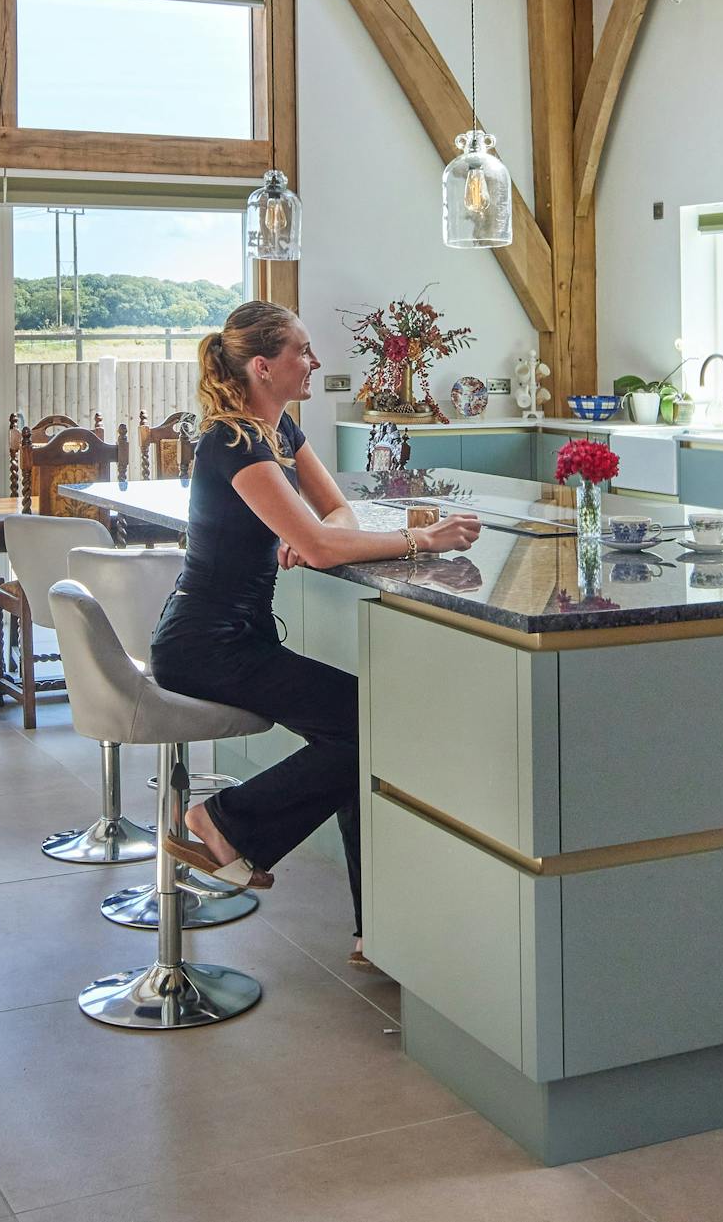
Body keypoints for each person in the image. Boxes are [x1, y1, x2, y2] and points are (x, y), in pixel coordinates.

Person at [153, 299, 478, 955]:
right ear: (265, 366)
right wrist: (418, 537)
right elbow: (329, 541)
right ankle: (221, 821)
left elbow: (338, 514)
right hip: (205, 645)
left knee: (358, 728)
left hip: (238, 640)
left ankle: (373, 930)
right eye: (303, 349)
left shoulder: (281, 433)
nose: (316, 359)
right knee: (366, 722)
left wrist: (317, 535)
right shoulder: (233, 439)